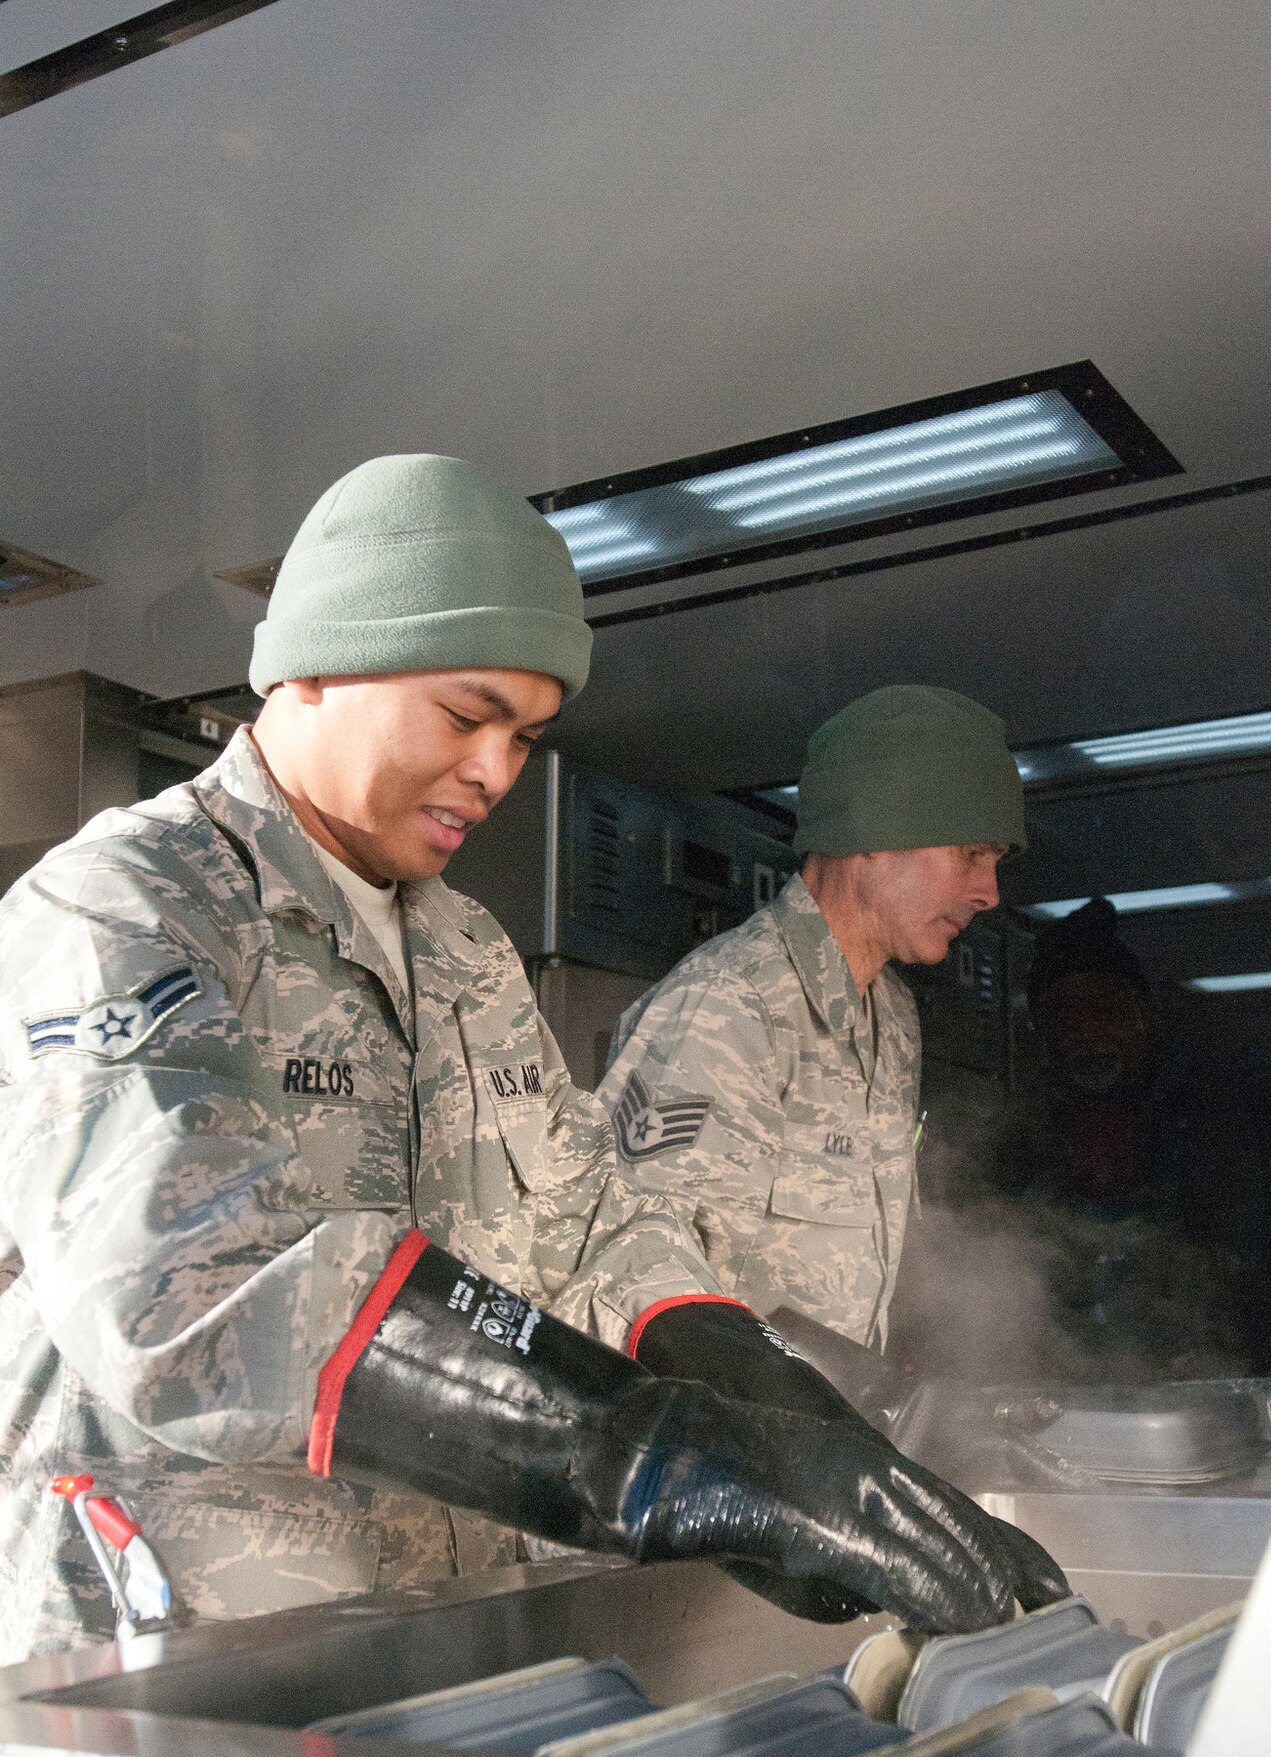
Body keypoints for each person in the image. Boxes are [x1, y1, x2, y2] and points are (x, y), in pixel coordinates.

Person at [0, 456, 1065, 1662]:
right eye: (465, 716)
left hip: (424, 1620)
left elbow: (587, 1221)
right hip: (176, 1643)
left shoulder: (462, 948)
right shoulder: (127, 906)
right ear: (318, 662)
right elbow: (199, 1281)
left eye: (526, 733)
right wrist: (659, 1456)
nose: (498, 772)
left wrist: (790, 1420)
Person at [598, 685, 1026, 1352]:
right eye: (972, 854)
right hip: (730, 1436)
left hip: (826, 1435)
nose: (989, 892)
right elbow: (627, 1279)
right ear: (875, 833)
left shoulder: (894, 1015)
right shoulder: (729, 1006)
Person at [987, 896, 1271, 1380]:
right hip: (1075, 1387)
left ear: (1143, 1014)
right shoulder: (1023, 1135)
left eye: (1105, 1009)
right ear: (1041, 1031)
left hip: (1235, 1384)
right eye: (1063, 1016)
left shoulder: (1244, 1115)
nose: (1087, 1032)